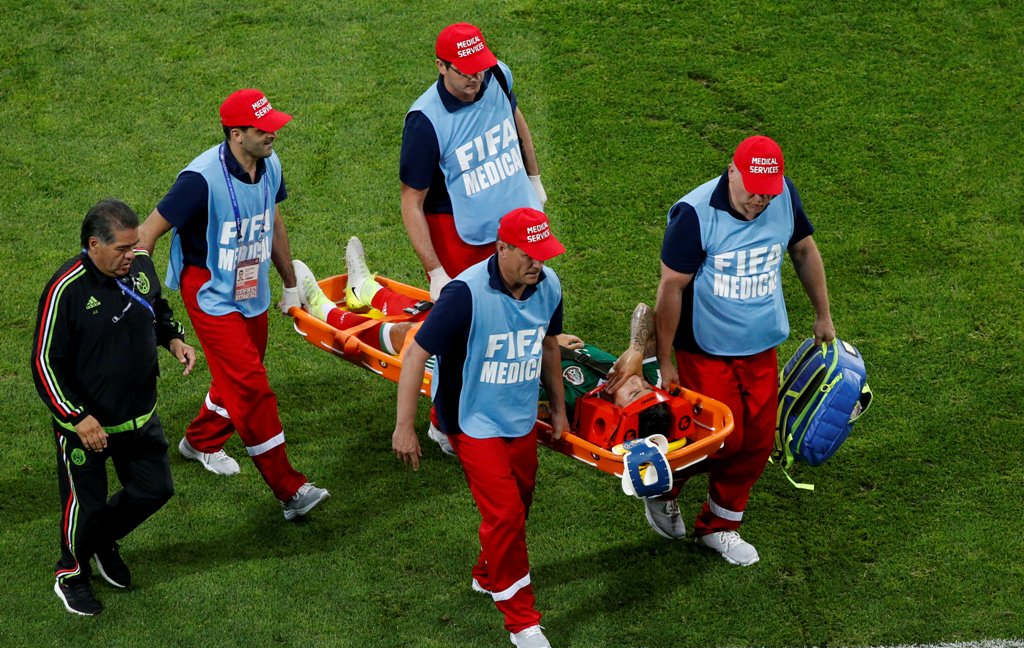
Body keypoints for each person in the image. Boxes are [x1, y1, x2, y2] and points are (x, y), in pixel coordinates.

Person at [138, 88, 329, 521]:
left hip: (250, 283)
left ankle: (201, 441)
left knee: (242, 371)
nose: (274, 134)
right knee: (251, 385)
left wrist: (290, 283)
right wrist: (149, 300)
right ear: (236, 134)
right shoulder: (199, 180)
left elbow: (272, 219)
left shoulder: (270, 163)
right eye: (264, 129)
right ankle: (290, 491)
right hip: (208, 291)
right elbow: (146, 235)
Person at [652, 135, 836, 565]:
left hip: (759, 343)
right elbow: (670, 289)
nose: (759, 200)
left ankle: (718, 526)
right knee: (717, 440)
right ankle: (663, 487)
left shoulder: (783, 196)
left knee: (754, 442)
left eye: (768, 192)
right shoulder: (693, 216)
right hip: (704, 347)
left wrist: (822, 314)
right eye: (752, 188)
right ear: (731, 171)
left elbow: (804, 250)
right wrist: (666, 362)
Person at [392, 208, 566, 648]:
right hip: (474, 423)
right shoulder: (464, 295)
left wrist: (560, 411)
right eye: (530, 255)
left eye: (544, 255)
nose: (538, 265)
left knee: (518, 508)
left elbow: (548, 345)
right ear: (502, 248)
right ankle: (523, 623)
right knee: (506, 515)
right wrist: (404, 428)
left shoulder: (549, 286)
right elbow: (415, 356)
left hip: (521, 419)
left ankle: (488, 574)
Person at [294, 242, 672, 442]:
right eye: (643, 388)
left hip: (492, 357)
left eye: (634, 394)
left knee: (412, 337)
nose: (637, 384)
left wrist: (548, 345)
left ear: (620, 411)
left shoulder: (582, 407)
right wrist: (638, 350)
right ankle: (365, 289)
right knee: (436, 308)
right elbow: (644, 311)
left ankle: (324, 309)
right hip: (518, 330)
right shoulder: (636, 377)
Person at [31, 198, 196, 616]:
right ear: (94, 245)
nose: (132, 255)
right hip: (88, 425)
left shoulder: (138, 263)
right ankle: (70, 572)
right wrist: (76, 417)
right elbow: (44, 362)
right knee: (84, 506)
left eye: (134, 244)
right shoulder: (65, 290)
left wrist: (173, 339)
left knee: (154, 490)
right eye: (122, 249)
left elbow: (155, 306)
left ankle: (101, 541)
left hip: (140, 415)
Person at [400, 22, 547, 302]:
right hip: (461, 235)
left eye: (479, 67)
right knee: (475, 317)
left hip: (514, 219)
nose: (475, 77)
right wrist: (437, 273)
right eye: (465, 71)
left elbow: (515, 118)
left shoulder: (496, 75)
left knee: (526, 300)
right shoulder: (424, 122)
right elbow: (411, 202)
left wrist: (534, 180)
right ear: (441, 66)